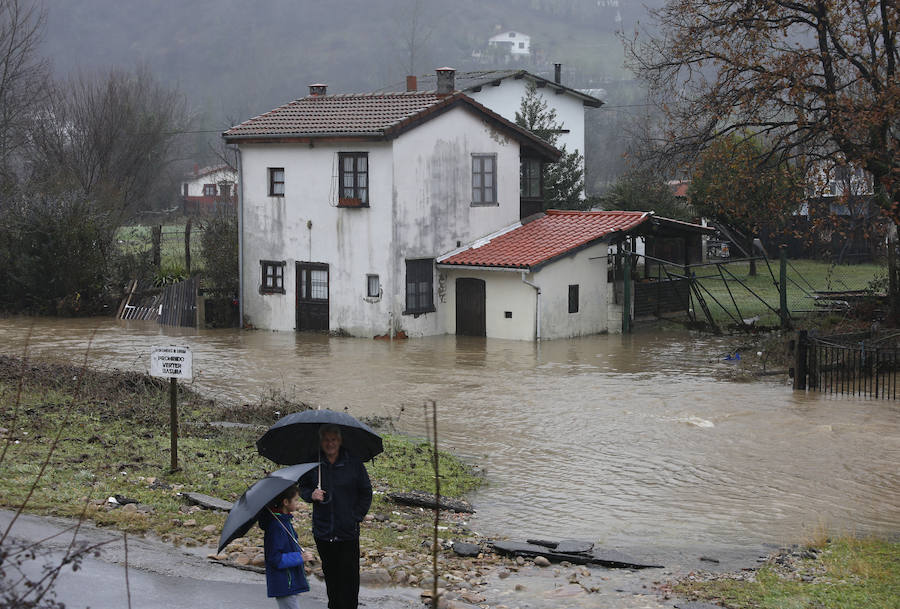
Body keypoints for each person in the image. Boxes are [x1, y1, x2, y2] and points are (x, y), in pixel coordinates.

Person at [299, 424, 373, 609]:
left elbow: (366, 492)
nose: (330, 443)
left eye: (333, 440)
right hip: (323, 530)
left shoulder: (353, 463)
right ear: (321, 442)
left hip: (347, 531)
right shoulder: (313, 463)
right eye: (326, 440)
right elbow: (303, 487)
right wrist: (311, 495)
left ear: (339, 441)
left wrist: (356, 516)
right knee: (331, 576)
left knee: (349, 578)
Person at [260, 484, 313, 609]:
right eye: (295, 500)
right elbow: (274, 558)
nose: (298, 503)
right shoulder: (276, 527)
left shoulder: (284, 522)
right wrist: (300, 557)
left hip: (290, 580)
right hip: (284, 582)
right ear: (285, 502)